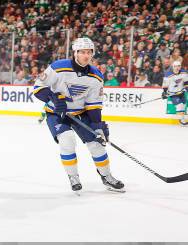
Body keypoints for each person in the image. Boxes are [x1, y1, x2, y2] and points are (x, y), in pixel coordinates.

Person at [34, 37, 124, 194]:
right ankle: (73, 177)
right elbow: (38, 88)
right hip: (56, 114)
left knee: (97, 144)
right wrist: (54, 98)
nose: (86, 55)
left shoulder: (96, 76)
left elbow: (94, 105)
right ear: (75, 52)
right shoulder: (58, 67)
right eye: (82, 52)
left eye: (89, 52)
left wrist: (98, 126)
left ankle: (106, 176)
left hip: (80, 113)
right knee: (67, 140)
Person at [162, 60, 187, 126]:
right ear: (173, 67)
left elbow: (186, 82)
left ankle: (182, 119)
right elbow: (165, 85)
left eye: (178, 66)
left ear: (180, 66)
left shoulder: (184, 73)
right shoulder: (168, 75)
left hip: (181, 92)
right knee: (179, 106)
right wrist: (164, 93)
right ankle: (182, 120)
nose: (177, 68)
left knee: (183, 106)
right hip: (173, 94)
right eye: (175, 66)